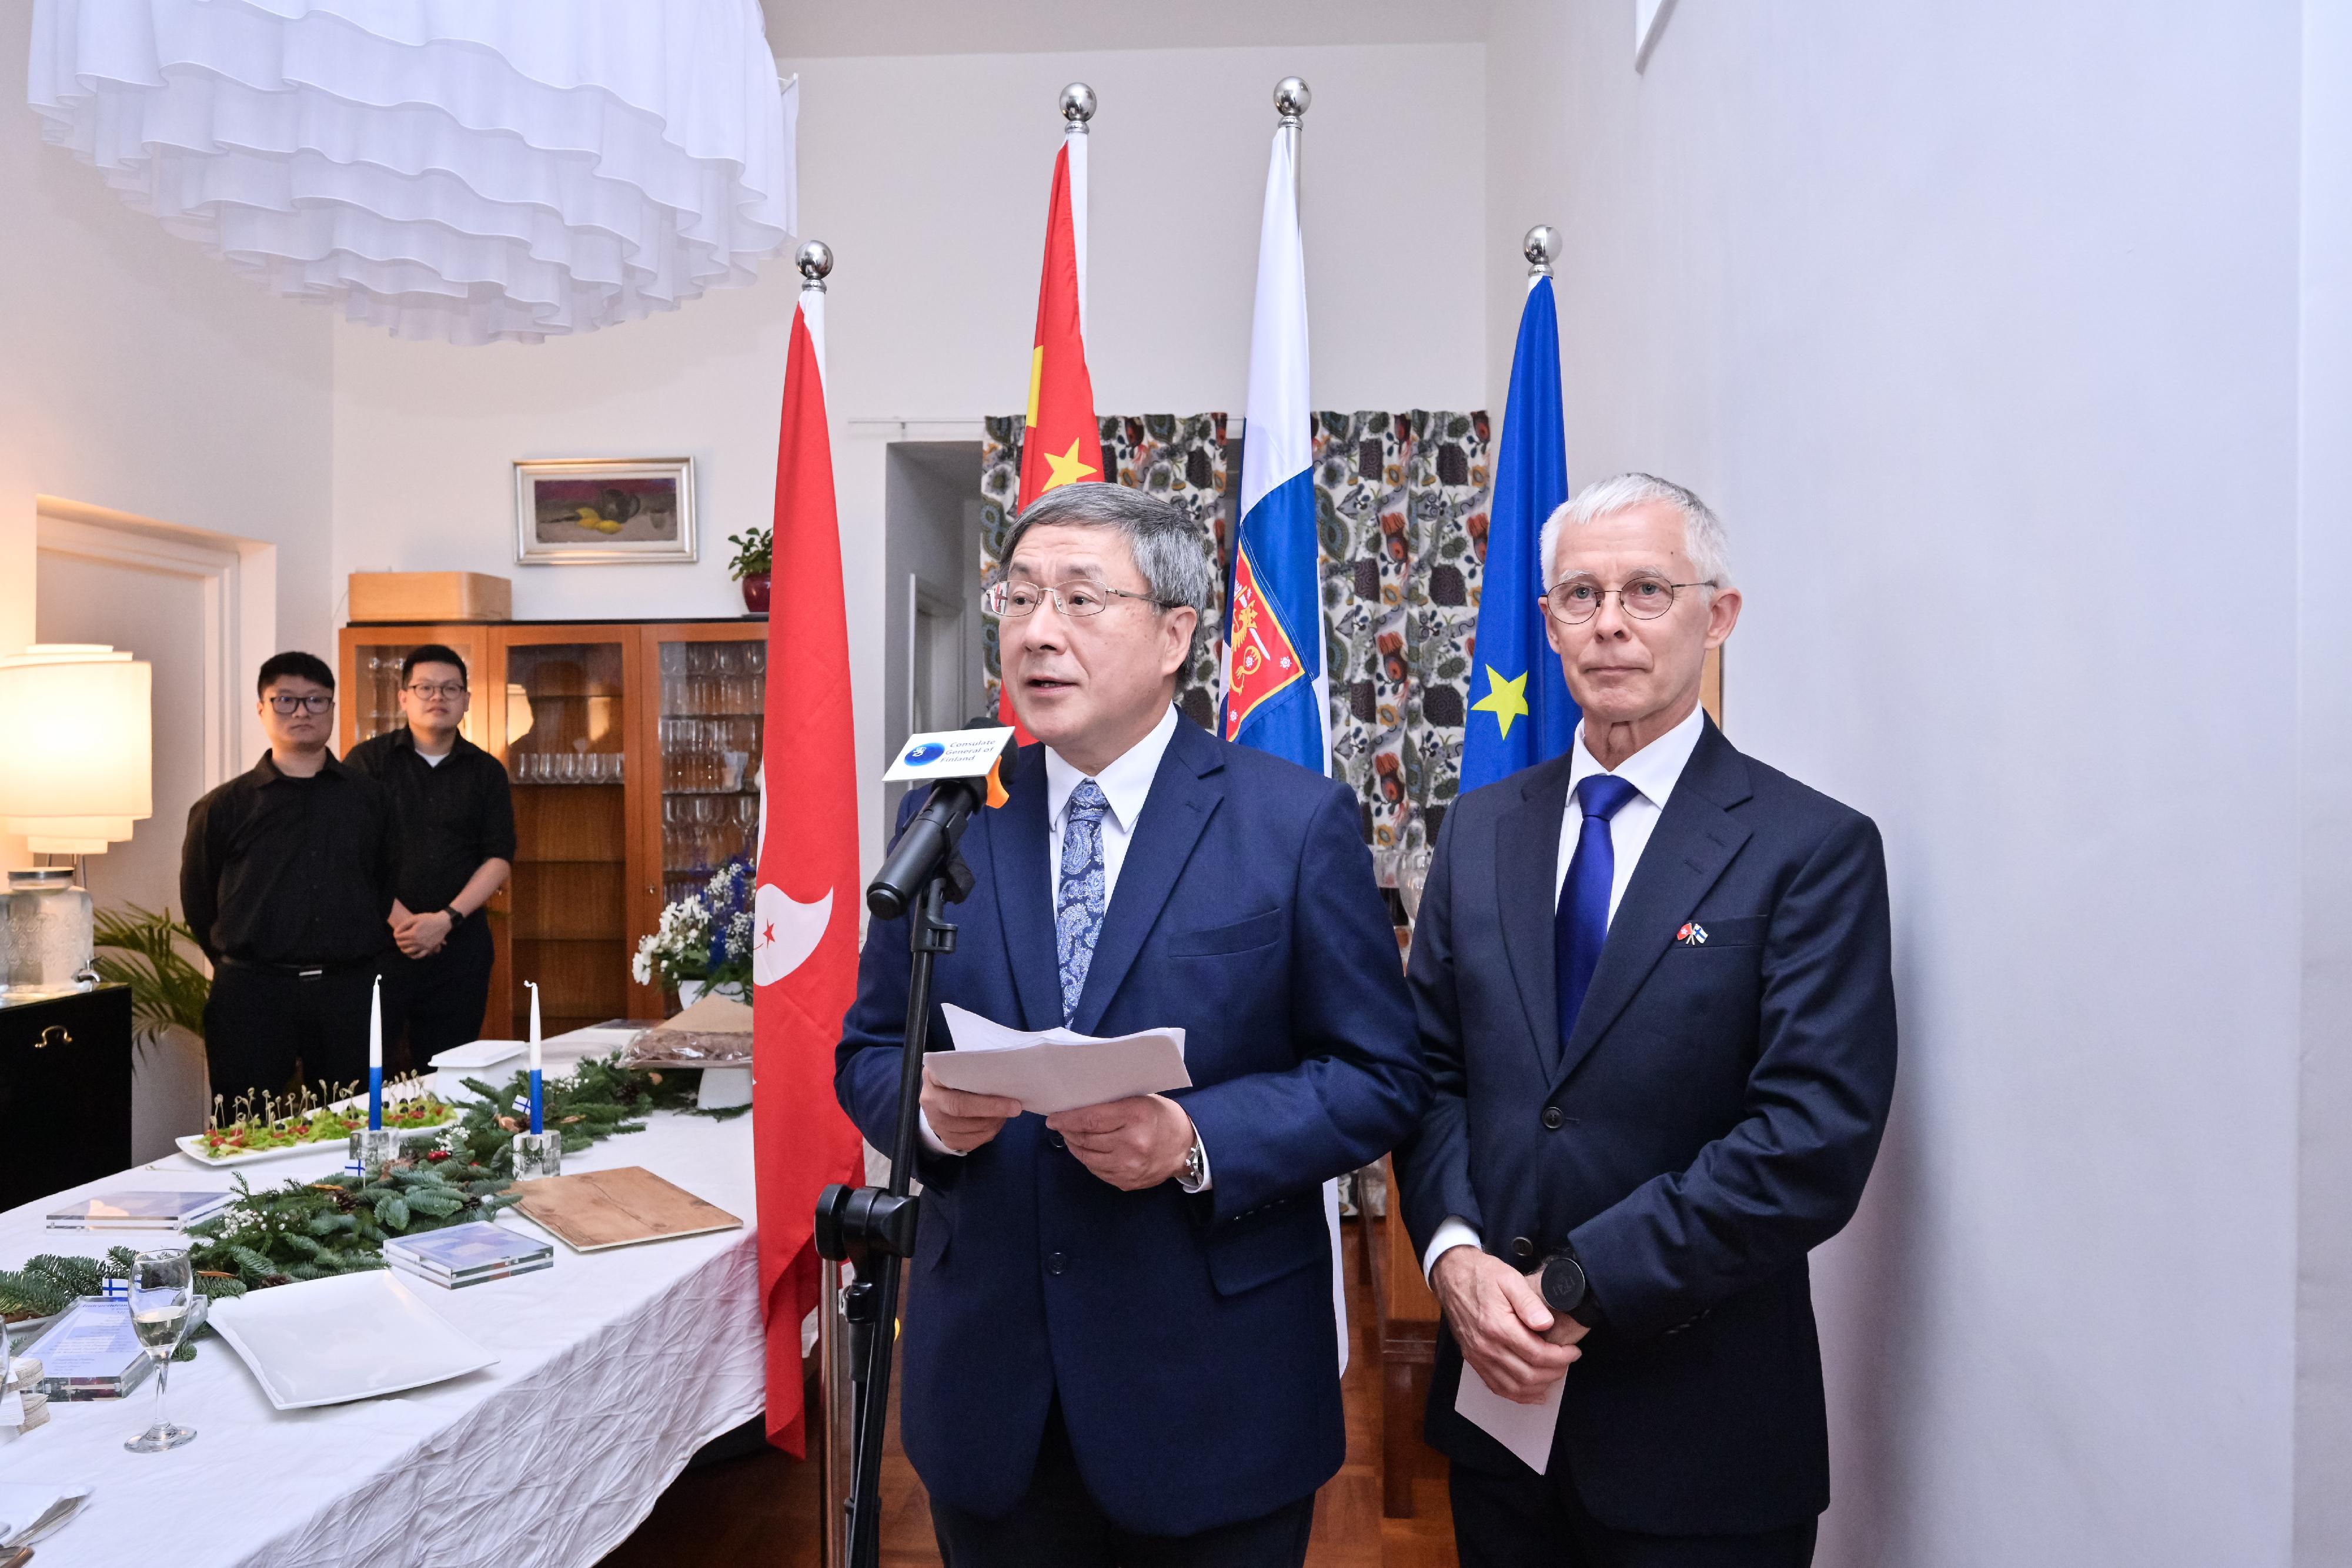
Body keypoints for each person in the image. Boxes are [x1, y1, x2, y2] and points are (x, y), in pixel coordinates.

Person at [835, 484, 1425, 1567]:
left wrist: (1195, 1140)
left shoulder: (1291, 823)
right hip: (991, 1400)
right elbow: (869, 1048)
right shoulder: (950, 815)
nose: (1037, 630)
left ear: (1175, 635)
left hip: (1213, 1391)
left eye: (1080, 597)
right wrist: (920, 1113)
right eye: (1018, 597)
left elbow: (1380, 1075)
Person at [1394, 473, 1897, 1567]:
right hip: (1498, 1426)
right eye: (1580, 593)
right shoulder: (1481, 832)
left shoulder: (1809, 849)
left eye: (1647, 590)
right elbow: (1429, 1072)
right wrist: (1453, 1254)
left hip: (1702, 1441)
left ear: (1717, 616)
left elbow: (1808, 1142)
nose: (1610, 622)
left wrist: (1578, 1286)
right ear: (1548, 624)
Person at [181, 651, 400, 1106]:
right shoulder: (222, 807)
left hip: (348, 991)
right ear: (262, 709)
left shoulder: (371, 799)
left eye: (316, 700)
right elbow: (200, 904)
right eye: (286, 700)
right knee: (244, 1128)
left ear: (332, 710)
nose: (302, 711)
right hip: (253, 993)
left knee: (353, 1124)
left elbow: (383, 884)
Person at [346, 644, 514, 1070]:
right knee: (365, 1077)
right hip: (378, 947)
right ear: (403, 697)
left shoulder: (486, 771)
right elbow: (352, 853)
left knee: (448, 1075)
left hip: (458, 951)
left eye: (450, 688)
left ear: (466, 700)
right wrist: (403, 922)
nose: (437, 697)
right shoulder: (367, 762)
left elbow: (498, 858)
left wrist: (445, 920)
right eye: (425, 687)